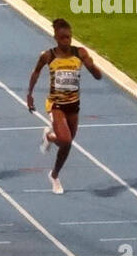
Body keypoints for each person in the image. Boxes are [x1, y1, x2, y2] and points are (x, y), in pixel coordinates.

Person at [26, 19, 102, 195]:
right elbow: (36, 72)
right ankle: (55, 175)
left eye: (69, 37)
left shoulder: (80, 53)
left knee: (66, 144)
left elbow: (96, 74)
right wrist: (29, 95)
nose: (66, 41)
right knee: (66, 140)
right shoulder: (48, 56)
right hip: (56, 104)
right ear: (56, 38)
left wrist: (93, 68)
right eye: (62, 38)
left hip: (73, 104)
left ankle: (53, 172)